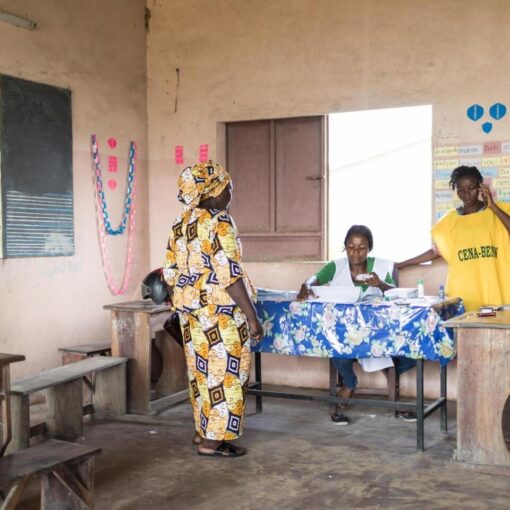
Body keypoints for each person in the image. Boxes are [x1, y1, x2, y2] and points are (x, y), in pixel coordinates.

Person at [163, 161, 263, 457]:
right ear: (213, 191)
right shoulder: (220, 222)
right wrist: (252, 317)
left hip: (192, 313)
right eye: (227, 186)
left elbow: (169, 273)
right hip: (221, 314)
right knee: (225, 376)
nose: (231, 192)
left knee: (200, 374)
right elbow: (229, 275)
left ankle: (202, 430)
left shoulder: (181, 223)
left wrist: (188, 300)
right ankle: (213, 442)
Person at [297, 225, 416, 425]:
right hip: (344, 334)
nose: (356, 252)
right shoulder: (336, 266)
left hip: (378, 333)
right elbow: (315, 278)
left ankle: (389, 374)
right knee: (333, 343)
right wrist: (307, 285)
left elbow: (396, 293)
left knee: (412, 352)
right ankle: (350, 383)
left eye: (362, 247)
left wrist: (379, 284)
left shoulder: (381, 267)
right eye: (351, 247)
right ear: (345, 247)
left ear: (369, 248)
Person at [397, 166, 510, 311]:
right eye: (461, 190)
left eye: (471, 188)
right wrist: (403, 263)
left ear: (481, 187)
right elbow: (436, 251)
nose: (466, 194)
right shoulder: (448, 221)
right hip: (465, 289)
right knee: (465, 329)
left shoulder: (500, 210)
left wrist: (492, 206)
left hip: (495, 284)